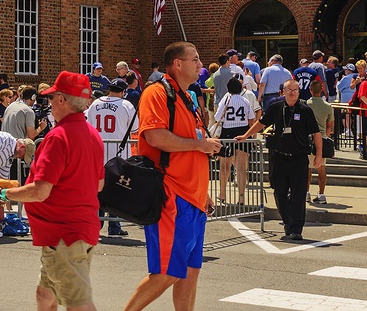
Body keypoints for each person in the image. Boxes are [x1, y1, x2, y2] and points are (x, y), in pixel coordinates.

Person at [0, 72, 104, 311]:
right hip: (77, 231)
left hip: (64, 235)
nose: (48, 104)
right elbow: (98, 184)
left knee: (78, 303)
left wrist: (4, 194)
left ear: (61, 100)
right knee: (45, 295)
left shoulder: (57, 137)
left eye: (51, 99)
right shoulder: (92, 135)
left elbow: (40, 191)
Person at [124, 43, 221, 311]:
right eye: (196, 60)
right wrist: (200, 145)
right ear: (177, 64)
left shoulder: (187, 96)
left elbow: (190, 147)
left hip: (193, 198)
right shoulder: (157, 93)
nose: (201, 65)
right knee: (167, 272)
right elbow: (155, 137)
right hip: (171, 196)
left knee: (190, 271)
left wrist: (204, 192)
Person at [238, 78, 321, 241]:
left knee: (298, 195)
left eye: (296, 90)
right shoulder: (276, 107)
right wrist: (246, 135)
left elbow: (316, 134)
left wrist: (318, 155)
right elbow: (261, 123)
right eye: (289, 90)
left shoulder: (305, 110)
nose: (293, 93)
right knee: (280, 192)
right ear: (283, 92)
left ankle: (296, 228)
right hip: (279, 157)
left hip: (299, 159)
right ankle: (287, 222)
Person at [86, 79, 138, 237]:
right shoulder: (126, 105)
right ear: (123, 92)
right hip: (119, 155)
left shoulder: (95, 104)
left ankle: (97, 224)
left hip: (98, 152)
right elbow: (135, 127)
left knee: (98, 190)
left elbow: (88, 124)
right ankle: (114, 227)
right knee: (116, 191)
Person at [214, 77, 255, 207]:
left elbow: (217, 117)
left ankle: (223, 194)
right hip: (243, 132)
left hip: (227, 133)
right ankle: (241, 197)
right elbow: (251, 119)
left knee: (224, 166)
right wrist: (252, 136)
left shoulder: (225, 99)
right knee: (241, 168)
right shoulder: (245, 100)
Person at [306, 80, 334, 204]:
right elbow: (330, 126)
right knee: (321, 168)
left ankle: (306, 192)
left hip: (308, 139)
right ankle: (321, 194)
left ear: (310, 90)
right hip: (322, 138)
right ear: (321, 90)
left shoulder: (306, 104)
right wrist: (325, 137)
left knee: (307, 168)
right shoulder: (327, 106)